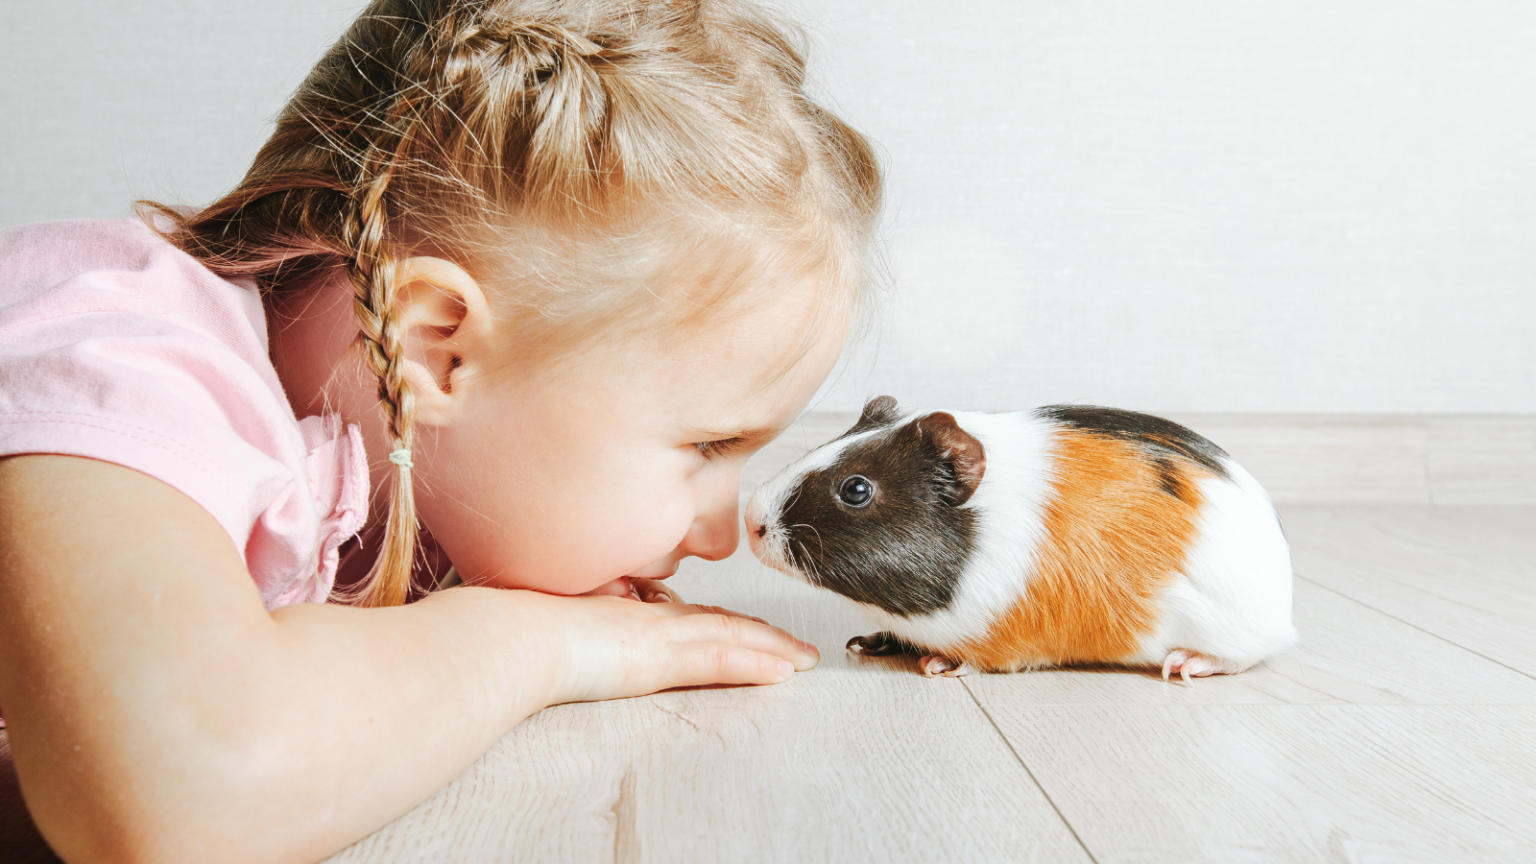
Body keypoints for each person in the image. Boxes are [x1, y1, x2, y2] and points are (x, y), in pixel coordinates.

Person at [0, 0, 882, 860]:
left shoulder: (416, 485)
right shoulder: (115, 366)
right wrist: (541, 646)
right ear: (438, 351)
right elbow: (178, 798)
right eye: (705, 448)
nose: (721, 536)